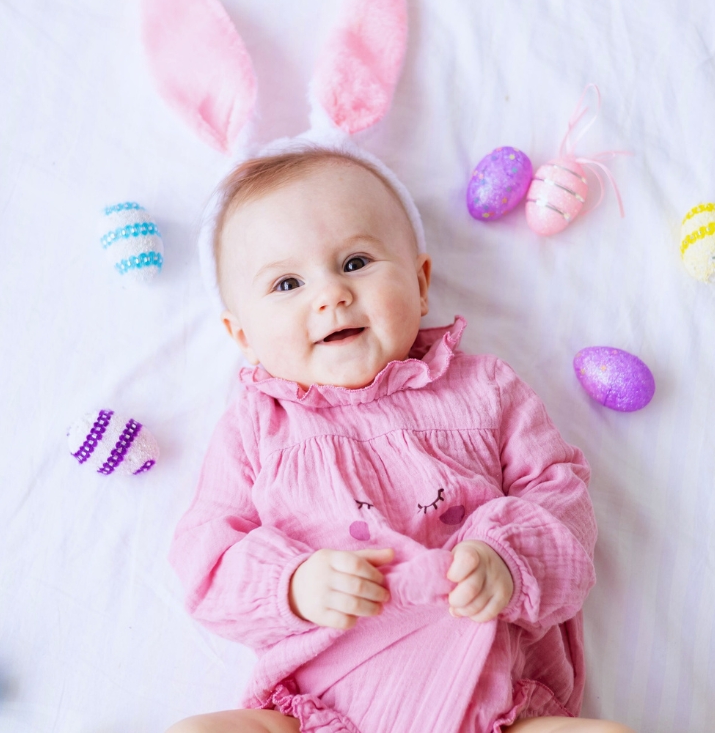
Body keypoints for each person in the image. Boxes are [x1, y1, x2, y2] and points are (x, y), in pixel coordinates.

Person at [165, 146, 632, 733]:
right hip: (320, 709)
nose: (329, 294)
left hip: (489, 705)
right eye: (287, 283)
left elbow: (564, 500)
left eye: (355, 262)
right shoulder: (259, 425)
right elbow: (207, 556)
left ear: (420, 282)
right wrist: (291, 585)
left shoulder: (485, 389)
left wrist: (507, 559)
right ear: (243, 335)